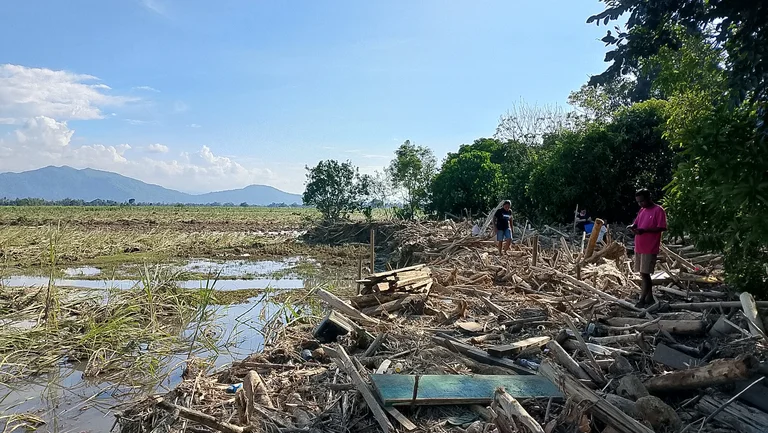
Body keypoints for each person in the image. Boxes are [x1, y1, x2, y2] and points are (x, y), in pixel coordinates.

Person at [628, 189, 667, 308]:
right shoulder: (642, 210)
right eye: (638, 202)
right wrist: (632, 227)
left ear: (649, 198)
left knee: (645, 273)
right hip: (639, 245)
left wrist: (645, 230)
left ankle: (642, 299)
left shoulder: (658, 210)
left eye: (642, 201)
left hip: (650, 246)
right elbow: (637, 223)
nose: (640, 204)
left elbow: (662, 227)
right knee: (642, 273)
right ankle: (649, 297)